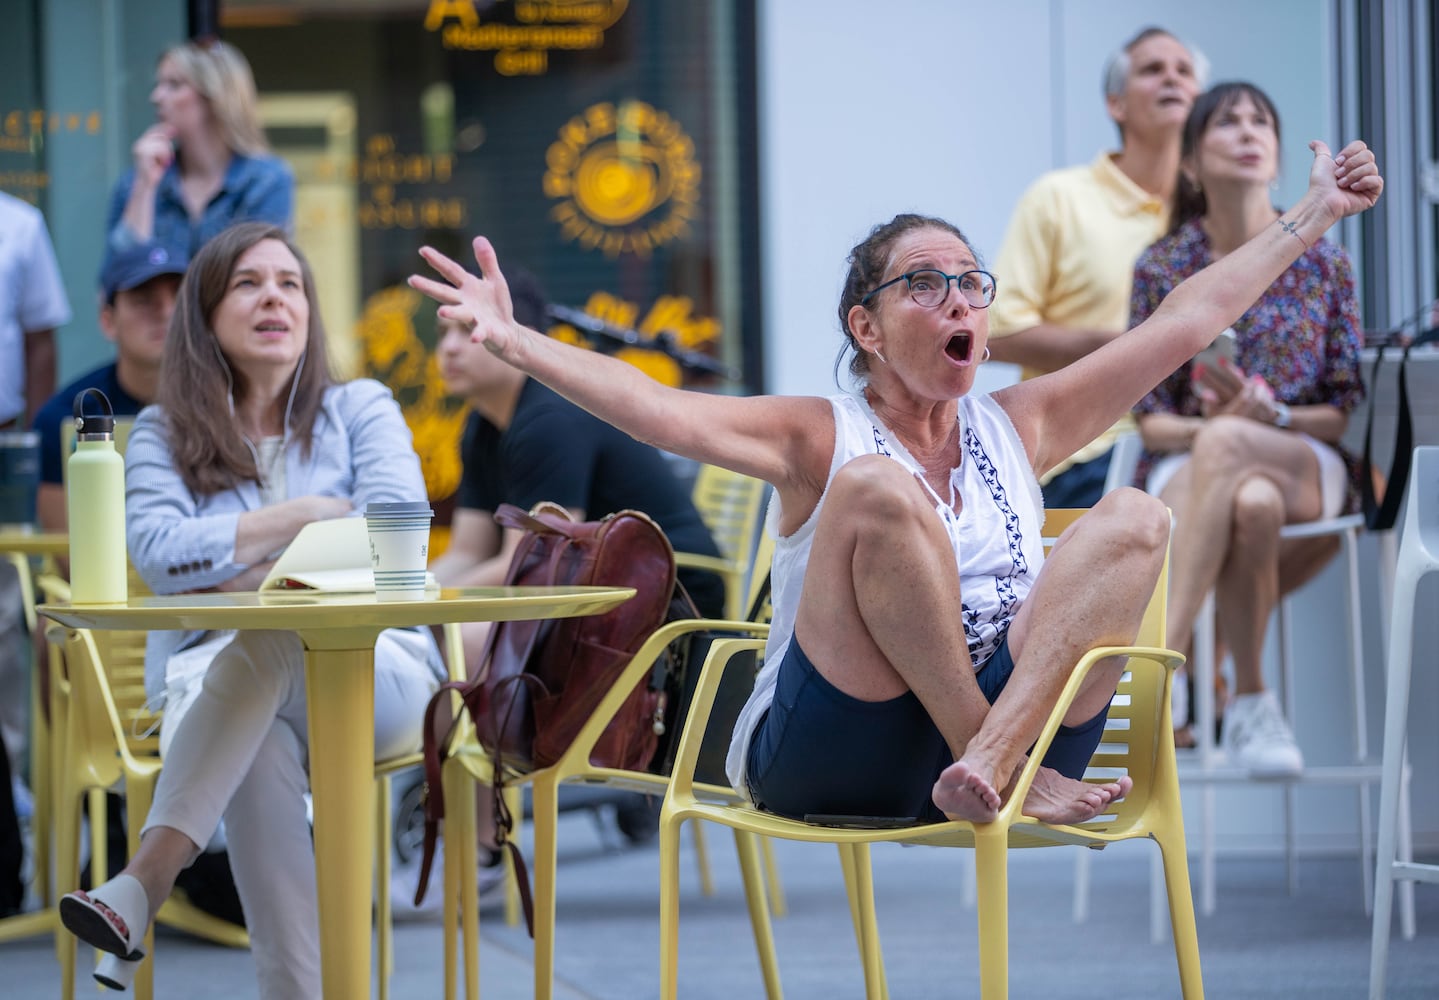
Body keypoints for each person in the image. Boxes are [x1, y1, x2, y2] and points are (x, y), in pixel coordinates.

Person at [409, 139, 1381, 828]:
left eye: (969, 281)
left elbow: (1184, 316)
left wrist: (1313, 215)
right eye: (923, 282)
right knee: (872, 488)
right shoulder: (816, 433)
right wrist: (518, 342)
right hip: (841, 743)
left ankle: (992, 757)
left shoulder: (1023, 422)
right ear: (864, 328)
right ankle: (991, 755)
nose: (956, 296)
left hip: (1011, 739)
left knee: (1131, 513)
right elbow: (652, 405)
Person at [57, 222, 445, 997]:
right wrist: (305, 516)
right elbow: (159, 553)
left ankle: (146, 876)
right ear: (204, 316)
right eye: (247, 282)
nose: (274, 295)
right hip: (210, 686)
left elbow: (394, 540)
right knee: (259, 733)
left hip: (378, 674)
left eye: (290, 282)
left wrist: (237, 582)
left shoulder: (360, 407)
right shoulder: (163, 431)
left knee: (268, 640)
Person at [413, 268, 728, 901]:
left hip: (665, 606)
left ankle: (480, 848)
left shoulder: (547, 418)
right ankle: (470, 839)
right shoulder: (485, 424)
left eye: (465, 332)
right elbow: (474, 551)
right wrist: (406, 589)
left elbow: (531, 563)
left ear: (514, 336)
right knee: (440, 632)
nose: (446, 349)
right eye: (443, 335)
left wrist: (425, 603)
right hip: (593, 590)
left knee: (461, 644)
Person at [1128, 83, 1367, 775]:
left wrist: (1273, 416)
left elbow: (1340, 412)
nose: (1245, 131)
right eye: (1226, 122)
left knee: (1237, 453)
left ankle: (1156, 673)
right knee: (1249, 502)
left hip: (1301, 452)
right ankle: (1251, 705)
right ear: (1194, 165)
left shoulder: (1325, 261)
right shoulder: (1161, 265)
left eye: (1258, 121)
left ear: (1276, 158)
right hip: (1190, 460)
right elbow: (1149, 424)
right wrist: (1210, 422)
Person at [987, 26, 1206, 507]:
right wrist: (1135, 349)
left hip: (1194, 438)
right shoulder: (1058, 198)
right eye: (1153, 70)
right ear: (1116, 105)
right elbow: (993, 334)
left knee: (1322, 493)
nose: (1172, 79)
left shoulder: (1214, 214)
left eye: (1184, 71)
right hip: (1088, 451)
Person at [0, 191, 70, 884]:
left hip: (2, 444)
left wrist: (25, 444)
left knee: (8, 631)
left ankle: (14, 791)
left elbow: (39, 339)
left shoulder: (17, 225)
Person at [33, 241, 187, 531]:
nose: (166, 312)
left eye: (180, 297)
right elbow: (68, 552)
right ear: (108, 321)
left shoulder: (232, 405)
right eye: (144, 299)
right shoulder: (62, 417)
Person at [105, 39, 292, 260]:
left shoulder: (265, 180)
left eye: (174, 85)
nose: (155, 97)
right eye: (159, 85)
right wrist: (144, 187)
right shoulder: (135, 182)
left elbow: (256, 273)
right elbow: (118, 280)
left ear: (214, 96)